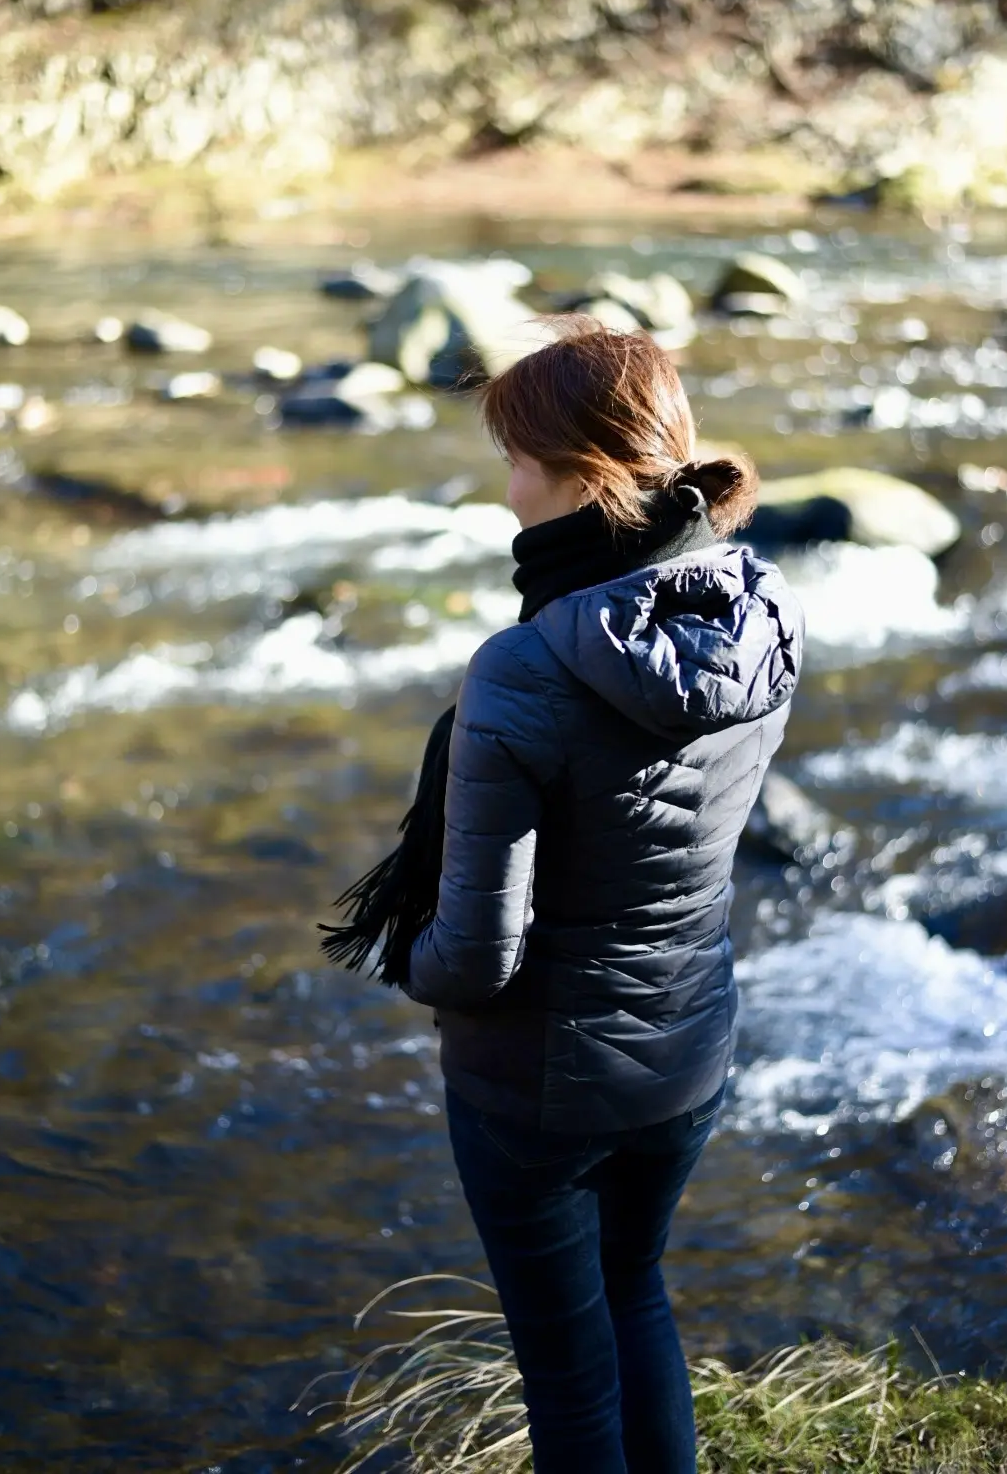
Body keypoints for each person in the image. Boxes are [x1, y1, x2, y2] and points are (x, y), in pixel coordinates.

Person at [328, 321, 804, 1474]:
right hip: (689, 1048)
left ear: (579, 476)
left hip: (536, 1086)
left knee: (565, 1369)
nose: (504, 489)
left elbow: (478, 955)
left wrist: (409, 970)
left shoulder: (526, 665)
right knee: (637, 1294)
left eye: (515, 461)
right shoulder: (757, 607)